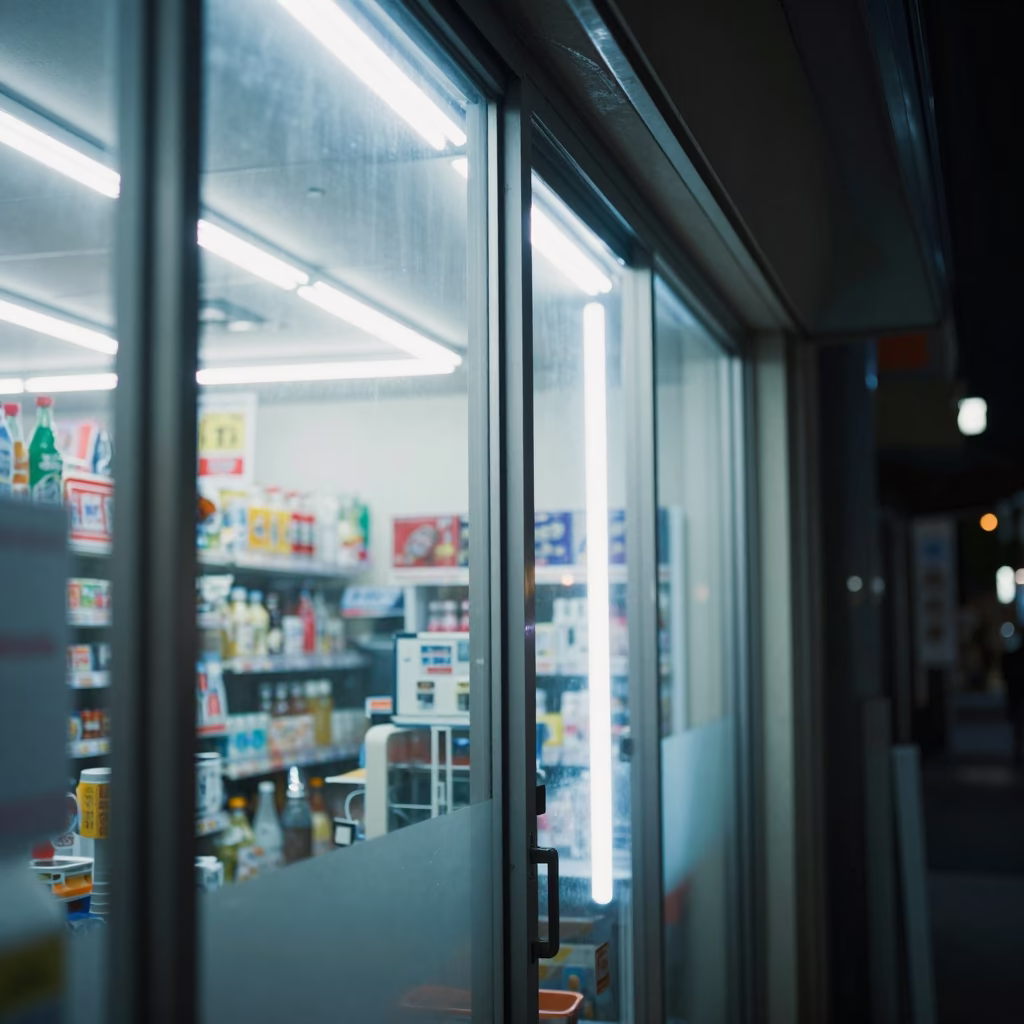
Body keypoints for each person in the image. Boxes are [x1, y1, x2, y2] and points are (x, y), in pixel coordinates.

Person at [1001, 636, 1024, 763]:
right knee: (1018, 728)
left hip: (1014, 697)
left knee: (1017, 729)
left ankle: (1017, 753)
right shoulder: (1012, 657)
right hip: (1017, 697)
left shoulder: (1010, 657)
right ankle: (1017, 753)